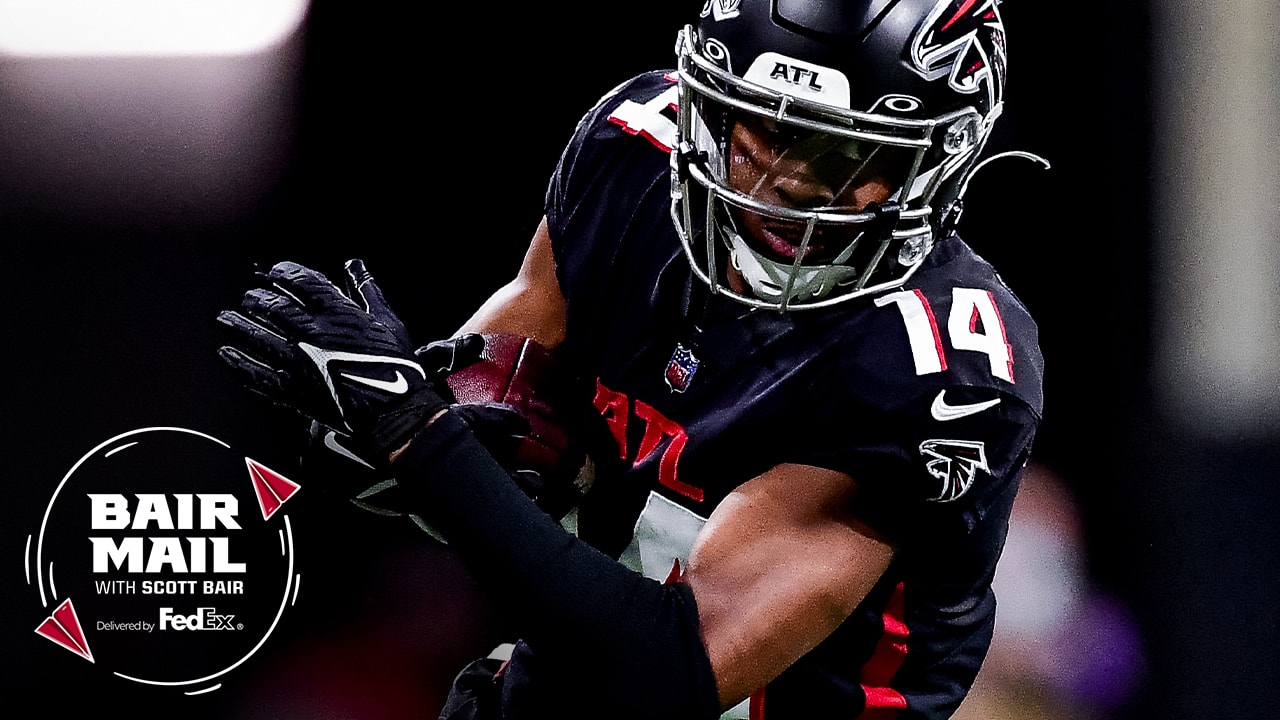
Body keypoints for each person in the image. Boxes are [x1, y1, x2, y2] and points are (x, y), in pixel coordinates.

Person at [215, 1, 1046, 718]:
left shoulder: (938, 364)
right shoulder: (632, 158)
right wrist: (384, 443)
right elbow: (495, 407)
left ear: (937, 157)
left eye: (841, 154)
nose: (786, 182)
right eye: (761, 128)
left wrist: (418, 437)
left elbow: (667, 674)